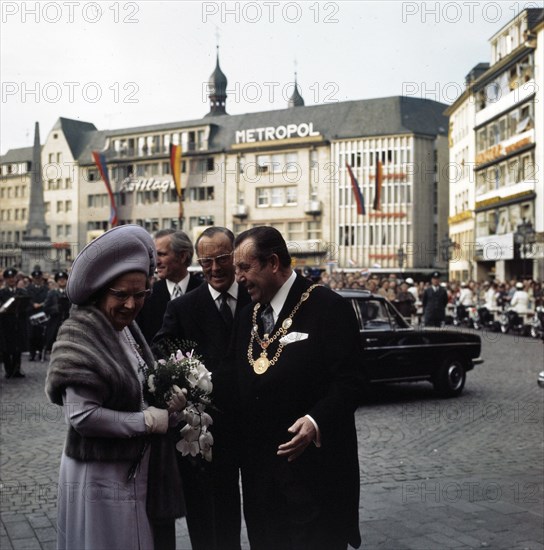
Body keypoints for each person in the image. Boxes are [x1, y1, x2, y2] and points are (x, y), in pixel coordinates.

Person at [45, 225, 187, 550]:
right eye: (121, 294)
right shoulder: (81, 332)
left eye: (140, 295)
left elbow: (139, 386)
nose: (131, 304)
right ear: (100, 291)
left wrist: (171, 407)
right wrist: (148, 421)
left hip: (134, 470)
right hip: (100, 474)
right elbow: (81, 416)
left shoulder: (126, 328)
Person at [221, 226, 361, 550]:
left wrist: (315, 421)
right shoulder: (247, 317)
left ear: (272, 262)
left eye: (244, 268)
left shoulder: (328, 307)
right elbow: (233, 380)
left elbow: (352, 381)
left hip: (315, 477)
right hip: (260, 482)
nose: (237, 277)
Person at [155, 226, 251, 550]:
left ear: (236, 256)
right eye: (206, 261)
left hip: (255, 427)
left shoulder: (255, 297)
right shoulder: (183, 307)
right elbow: (163, 355)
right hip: (205, 433)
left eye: (222, 259)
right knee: (209, 520)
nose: (214, 269)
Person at [137, 228, 202, 344]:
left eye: (161, 254)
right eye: (154, 255)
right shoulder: (147, 296)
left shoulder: (204, 291)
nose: (156, 261)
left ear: (182, 256)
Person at [0, 268, 29, 378]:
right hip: (6, 323)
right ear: (5, 279)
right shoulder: (2, 293)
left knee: (18, 347)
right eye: (9, 278)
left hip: (18, 322)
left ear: (16, 279)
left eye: (13, 278)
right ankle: (8, 370)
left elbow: (27, 306)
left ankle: (17, 369)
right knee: (6, 348)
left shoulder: (21, 292)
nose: (11, 280)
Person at [43, 271, 71, 360]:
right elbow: (45, 309)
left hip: (69, 323)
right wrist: (56, 309)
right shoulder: (52, 293)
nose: (62, 281)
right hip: (55, 323)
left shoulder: (71, 293)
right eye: (60, 280)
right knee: (55, 346)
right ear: (56, 281)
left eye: (64, 279)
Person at [27, 269, 49, 361]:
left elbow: (48, 299)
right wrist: (33, 304)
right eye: (35, 278)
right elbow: (27, 299)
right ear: (33, 279)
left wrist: (42, 304)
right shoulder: (28, 289)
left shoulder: (46, 289)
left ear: (41, 279)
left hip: (42, 313)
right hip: (32, 313)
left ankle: (41, 353)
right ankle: (32, 353)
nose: (37, 280)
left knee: (41, 335)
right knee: (32, 335)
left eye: (39, 278)